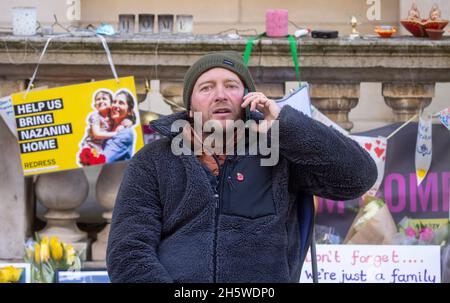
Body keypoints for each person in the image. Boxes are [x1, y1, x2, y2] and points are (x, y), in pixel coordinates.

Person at [106, 51, 377, 283]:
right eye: (207, 87)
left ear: (248, 99)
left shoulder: (282, 152)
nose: (220, 95)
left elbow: (359, 177)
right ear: (189, 108)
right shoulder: (152, 160)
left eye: (232, 86)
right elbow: (128, 252)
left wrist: (286, 126)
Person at [102, 89, 137, 163]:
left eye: (121, 103)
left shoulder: (125, 134)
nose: (115, 105)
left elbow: (103, 160)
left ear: (129, 111)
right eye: (114, 102)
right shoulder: (108, 126)